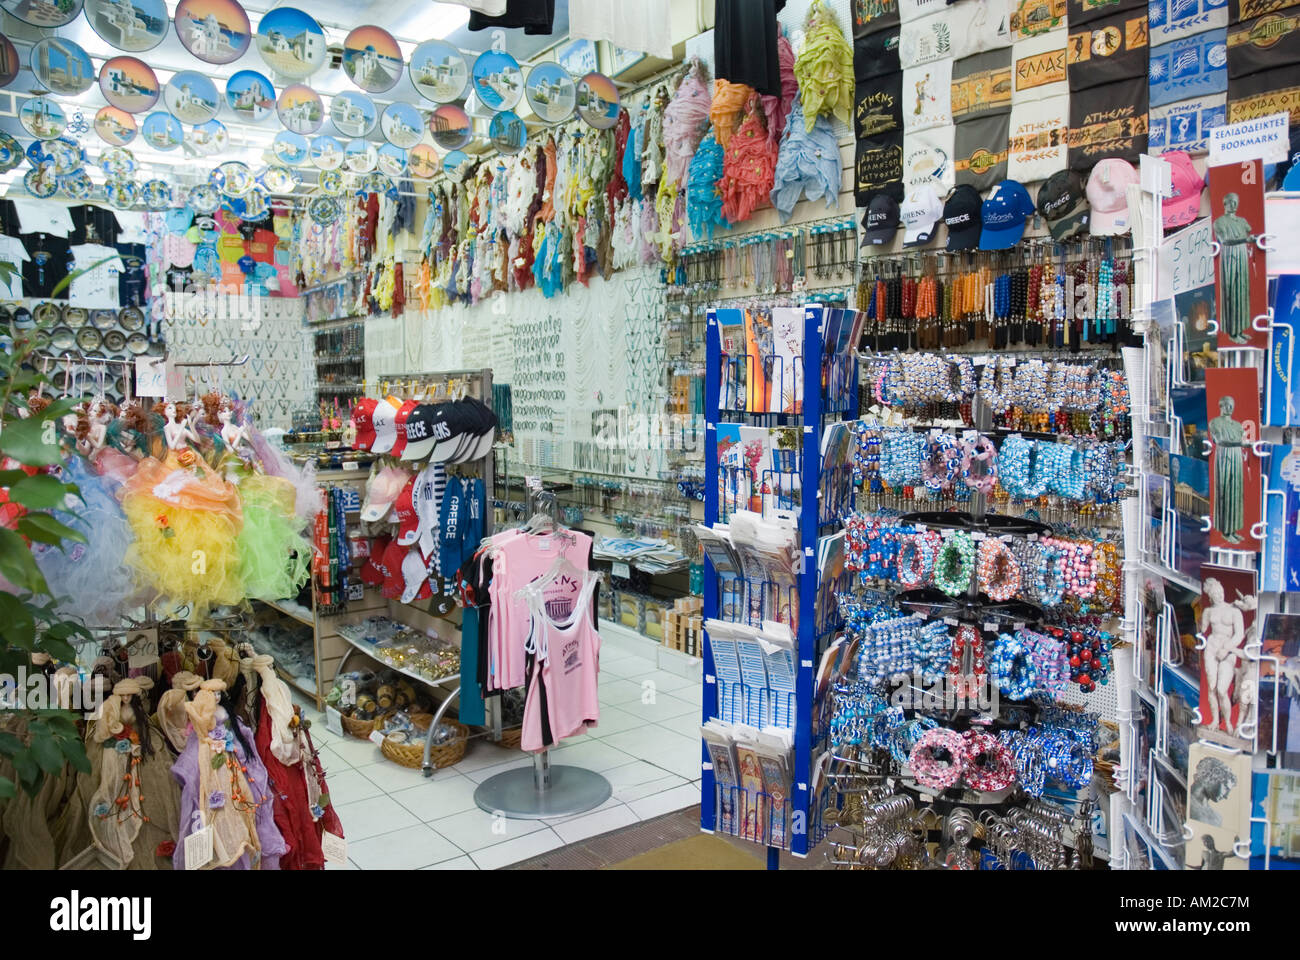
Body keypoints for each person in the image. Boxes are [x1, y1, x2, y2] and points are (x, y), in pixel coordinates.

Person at [1201, 578, 1245, 734]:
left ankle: (1227, 722)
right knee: (1211, 687)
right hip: (1212, 648)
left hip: (1228, 650)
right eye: (1215, 593)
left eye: (1220, 592)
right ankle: (1214, 720)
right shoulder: (1208, 611)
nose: (1219, 595)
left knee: (1221, 689)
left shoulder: (1234, 611)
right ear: (1211, 596)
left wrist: (1226, 649)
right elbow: (1202, 630)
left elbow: (1239, 635)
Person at [1214, 193, 1256, 344]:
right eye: (1230, 202)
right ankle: (1232, 332)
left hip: (1242, 256)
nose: (1233, 205)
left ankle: (1240, 330)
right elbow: (1225, 241)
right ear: (1224, 203)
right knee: (1231, 293)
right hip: (1230, 257)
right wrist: (1245, 239)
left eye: (1235, 202)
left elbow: (1249, 229)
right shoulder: (1219, 222)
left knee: (1242, 292)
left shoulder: (1242, 221)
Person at [1208, 395, 1247, 544]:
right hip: (1224, 457)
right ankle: (1226, 531)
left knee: (1236, 492)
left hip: (1236, 457)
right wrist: (1242, 444)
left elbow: (1239, 440)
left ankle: (1234, 530)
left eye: (1232, 405)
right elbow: (1219, 441)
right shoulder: (1215, 422)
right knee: (1225, 491)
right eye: (1227, 405)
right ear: (1221, 405)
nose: (1230, 408)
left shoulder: (1237, 425)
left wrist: (1241, 444)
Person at [1189, 754, 1237, 826]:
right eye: (1226, 788)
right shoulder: (1181, 796)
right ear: (1212, 777)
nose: (1226, 796)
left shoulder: (1217, 818)